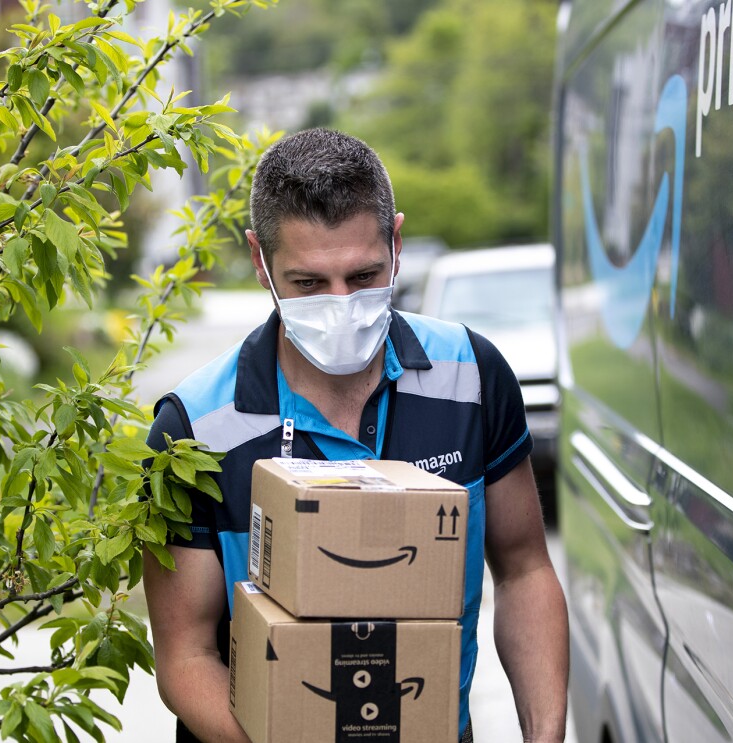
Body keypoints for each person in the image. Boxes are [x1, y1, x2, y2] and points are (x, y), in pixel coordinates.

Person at [142, 128, 569, 743]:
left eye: (364, 275)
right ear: (261, 261)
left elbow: (525, 569)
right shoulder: (194, 432)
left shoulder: (470, 376)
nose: (341, 305)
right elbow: (184, 656)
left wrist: (545, 734)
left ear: (396, 242)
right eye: (310, 283)